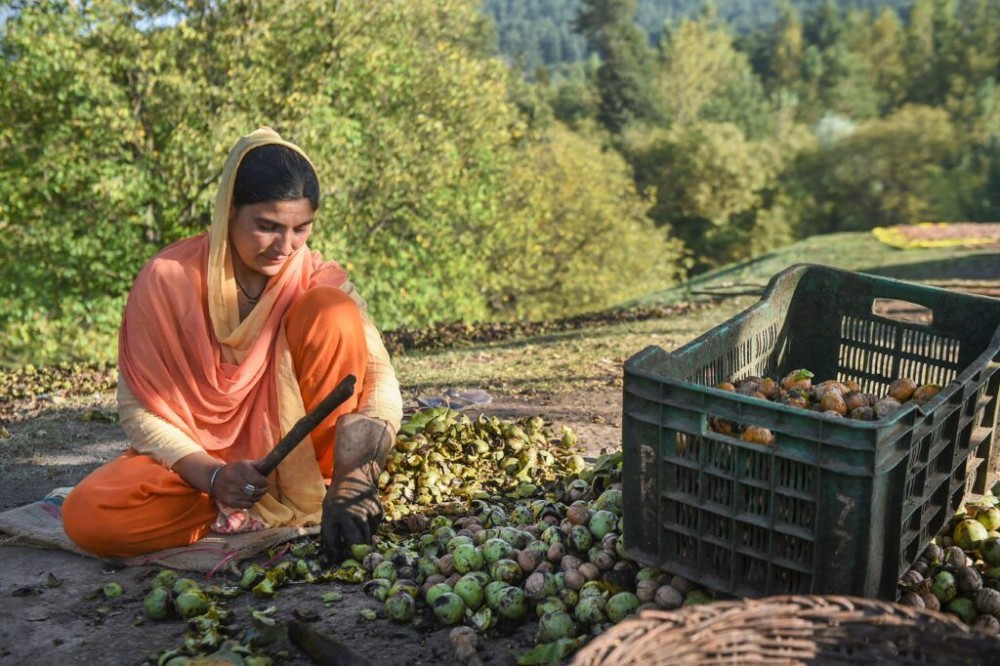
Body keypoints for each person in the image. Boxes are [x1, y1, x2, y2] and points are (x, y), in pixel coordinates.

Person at [62, 127, 403, 560]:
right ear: (228, 212)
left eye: (302, 229)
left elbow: (379, 383)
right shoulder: (168, 280)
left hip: (306, 468)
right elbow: (139, 409)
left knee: (332, 311)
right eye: (267, 227)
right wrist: (212, 474)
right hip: (201, 474)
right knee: (88, 515)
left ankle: (317, 491)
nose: (286, 246)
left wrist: (356, 476)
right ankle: (234, 507)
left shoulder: (315, 276)